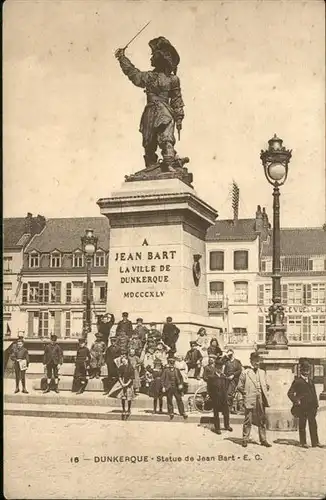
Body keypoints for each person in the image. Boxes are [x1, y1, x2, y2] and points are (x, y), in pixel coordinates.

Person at [115, 37, 185, 170]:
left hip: (162, 112)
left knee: (165, 138)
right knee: (150, 142)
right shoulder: (152, 77)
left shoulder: (171, 79)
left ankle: (168, 162)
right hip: (153, 112)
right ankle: (153, 166)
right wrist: (122, 59)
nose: (151, 58)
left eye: (153, 55)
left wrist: (122, 58)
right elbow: (177, 100)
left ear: (160, 59)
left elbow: (176, 99)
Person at [238, 352, 272, 448]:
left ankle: (263, 439)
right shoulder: (245, 372)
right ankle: (245, 439)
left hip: (260, 397)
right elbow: (239, 386)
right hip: (250, 397)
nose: (257, 363)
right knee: (248, 419)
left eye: (258, 361)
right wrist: (245, 394)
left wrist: (266, 387)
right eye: (255, 361)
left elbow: (265, 384)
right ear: (251, 361)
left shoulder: (262, 372)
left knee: (262, 419)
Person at [287, 359, 322, 448]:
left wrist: (316, 406)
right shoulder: (297, 381)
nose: (306, 372)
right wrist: (296, 400)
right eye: (305, 370)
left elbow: (314, 394)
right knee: (302, 425)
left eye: (308, 370)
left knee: (313, 425)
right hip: (302, 407)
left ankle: (315, 442)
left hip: (311, 407)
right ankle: (303, 442)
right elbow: (290, 393)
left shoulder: (311, 381)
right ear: (301, 370)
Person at [207, 358, 232, 434]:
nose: (219, 369)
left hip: (223, 397)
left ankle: (227, 425)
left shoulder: (224, 377)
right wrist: (212, 397)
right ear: (215, 367)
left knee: (226, 412)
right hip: (216, 398)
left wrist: (226, 395)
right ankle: (217, 428)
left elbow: (227, 386)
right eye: (218, 367)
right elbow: (209, 388)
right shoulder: (211, 377)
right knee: (216, 413)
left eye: (221, 368)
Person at [223, 348, 243, 414]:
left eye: (231, 354)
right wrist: (226, 376)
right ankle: (228, 408)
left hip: (234, 379)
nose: (230, 356)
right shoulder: (227, 362)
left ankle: (228, 409)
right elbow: (225, 371)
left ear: (233, 354)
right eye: (229, 355)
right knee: (226, 393)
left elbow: (239, 370)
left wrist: (233, 375)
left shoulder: (237, 362)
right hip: (227, 379)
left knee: (229, 393)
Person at [118, 354, 135, 420]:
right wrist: (122, 383)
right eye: (122, 361)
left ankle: (128, 409)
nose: (123, 362)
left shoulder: (131, 367)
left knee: (129, 397)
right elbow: (119, 376)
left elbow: (132, 377)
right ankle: (123, 409)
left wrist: (127, 384)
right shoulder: (121, 367)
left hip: (129, 384)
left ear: (127, 360)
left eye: (124, 361)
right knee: (123, 397)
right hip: (123, 383)